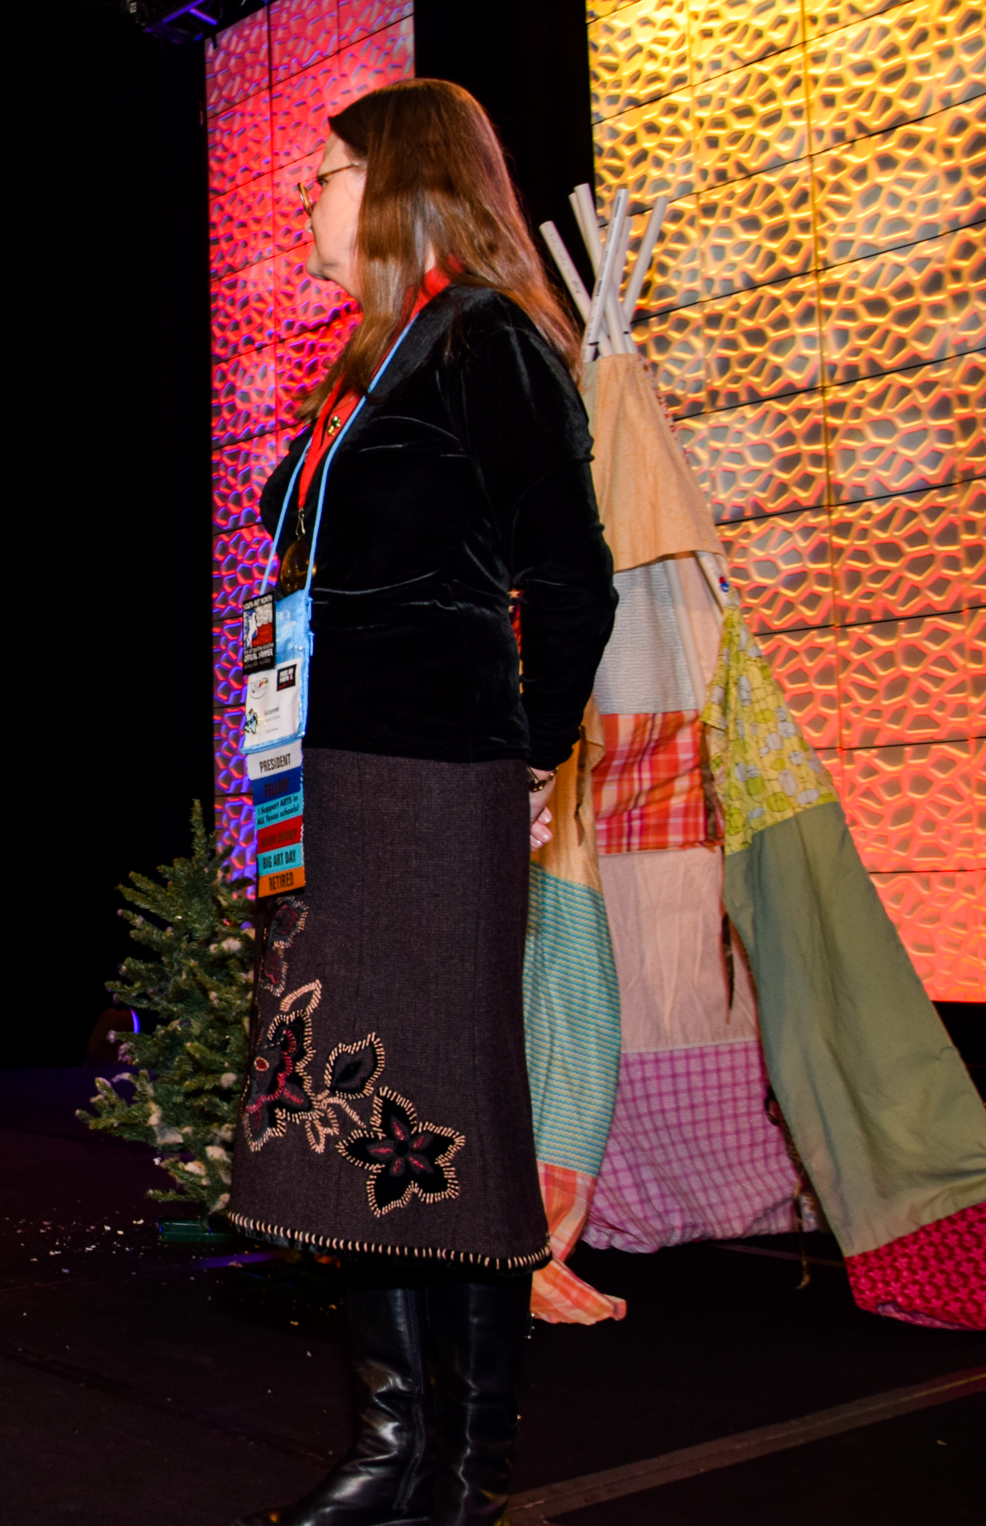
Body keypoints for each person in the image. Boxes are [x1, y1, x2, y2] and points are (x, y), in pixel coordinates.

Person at [224, 80, 616, 1526]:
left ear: (399, 186)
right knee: (352, 1110)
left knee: (451, 1107)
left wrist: (532, 758)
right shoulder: (364, 365)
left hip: (436, 783)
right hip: (326, 783)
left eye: (326, 173)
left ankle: (463, 1469)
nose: (305, 199)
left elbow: (573, 582)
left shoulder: (487, 343)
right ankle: (390, 1442)